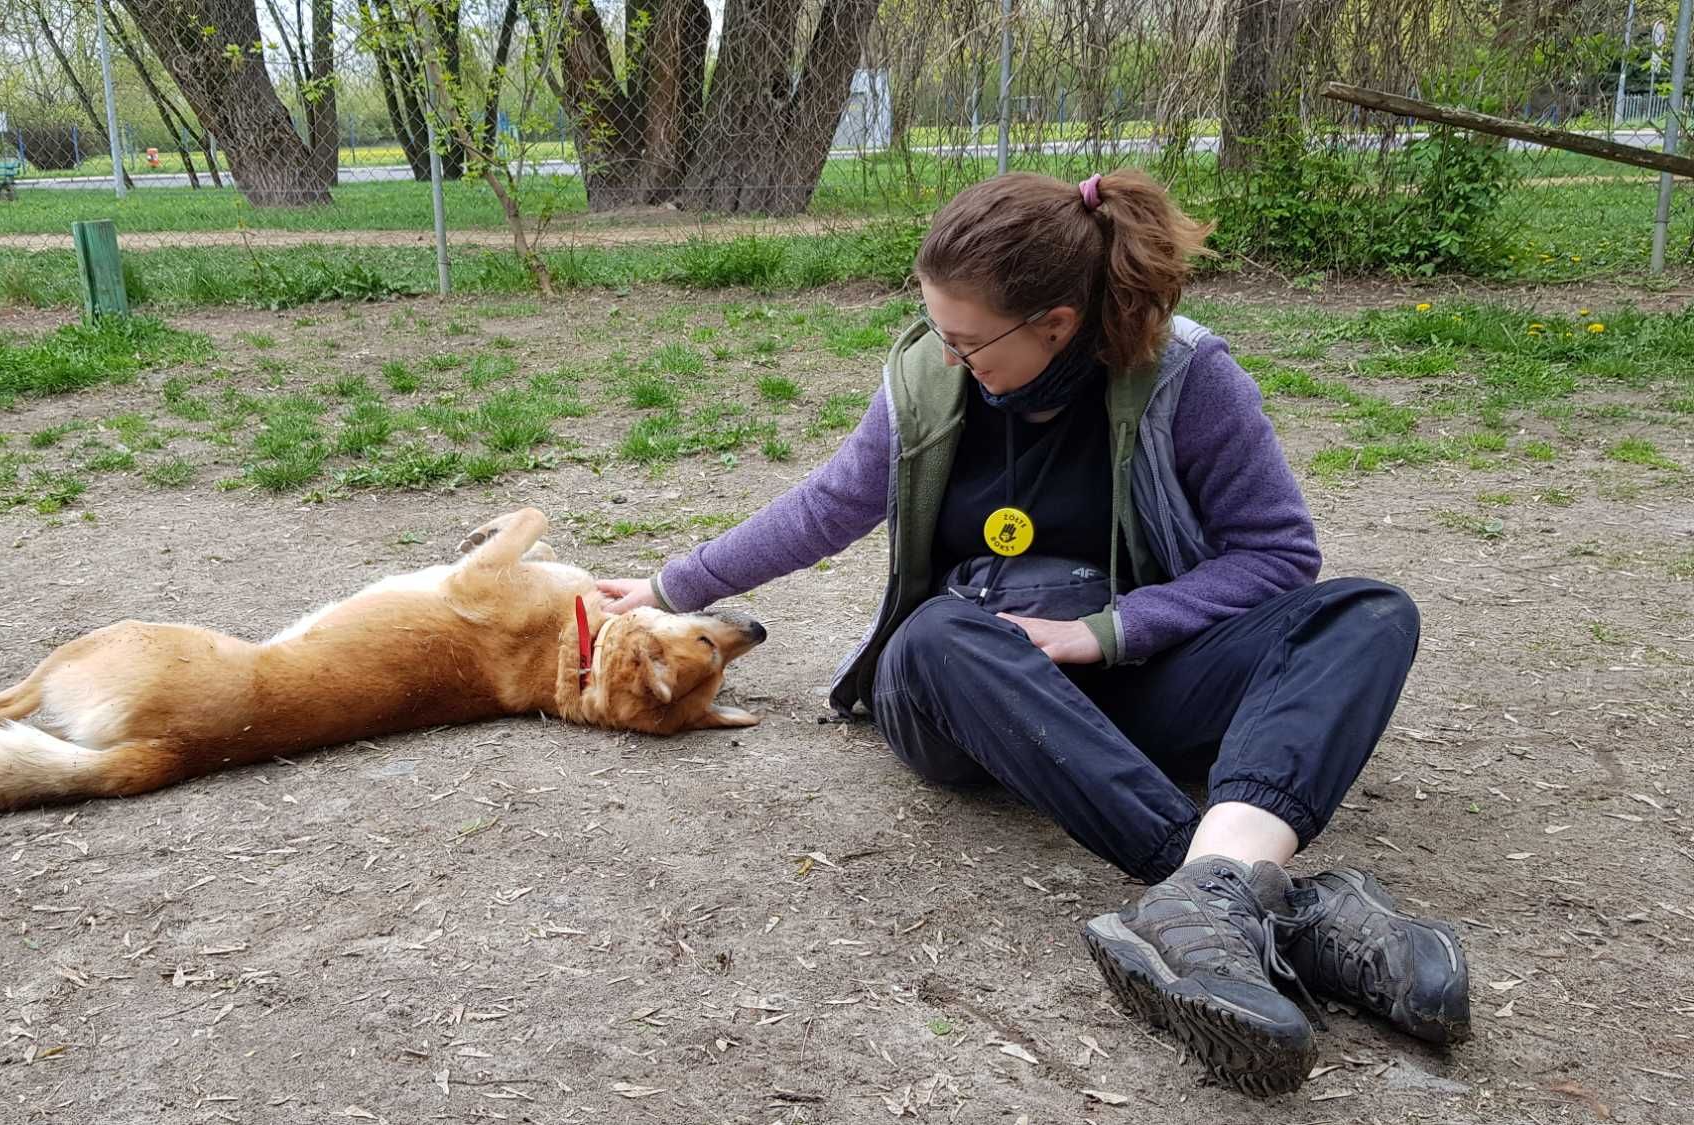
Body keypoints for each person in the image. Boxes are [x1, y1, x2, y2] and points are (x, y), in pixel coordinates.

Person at [596, 170, 1471, 1095]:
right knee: (931, 634)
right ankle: (1253, 895)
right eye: (936, 326)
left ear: (1056, 323)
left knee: (1367, 612)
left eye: (968, 339)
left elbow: (1278, 554)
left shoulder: (1188, 376)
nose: (945, 351)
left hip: (1129, 670)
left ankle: (1209, 896)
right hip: (967, 690)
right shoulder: (928, 382)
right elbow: (828, 506)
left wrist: (1106, 629)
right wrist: (667, 585)